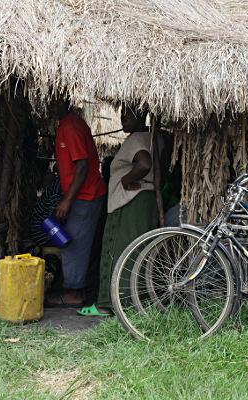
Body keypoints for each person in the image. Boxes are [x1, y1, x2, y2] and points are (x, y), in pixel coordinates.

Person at [79, 107, 161, 316]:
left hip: (129, 202)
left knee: (118, 250)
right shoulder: (155, 138)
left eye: (129, 115)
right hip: (148, 200)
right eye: (122, 114)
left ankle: (108, 304)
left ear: (142, 116)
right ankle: (136, 302)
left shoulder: (137, 139)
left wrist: (126, 179)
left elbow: (144, 164)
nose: (123, 118)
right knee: (141, 252)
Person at [45, 96, 107, 307]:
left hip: (85, 196)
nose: (54, 104)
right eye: (51, 100)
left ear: (68, 102)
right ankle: (79, 288)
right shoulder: (68, 125)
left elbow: (82, 166)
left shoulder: (71, 127)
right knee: (79, 244)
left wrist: (67, 200)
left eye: (59, 100)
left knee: (73, 245)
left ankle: (75, 295)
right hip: (84, 195)